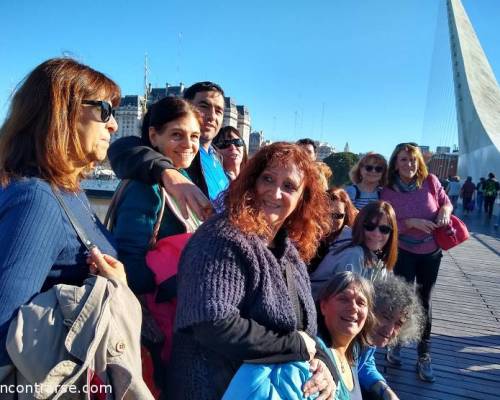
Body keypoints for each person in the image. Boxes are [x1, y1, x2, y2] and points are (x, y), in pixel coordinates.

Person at [167, 142, 335, 399]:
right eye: (267, 178)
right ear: (251, 181)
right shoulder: (221, 238)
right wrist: (295, 347)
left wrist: (324, 364)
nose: (275, 192)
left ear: (303, 199)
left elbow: (306, 330)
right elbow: (213, 324)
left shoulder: (289, 252)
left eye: (289, 186)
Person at [0, 58, 127, 372]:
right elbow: (4, 331)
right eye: (105, 111)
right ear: (63, 112)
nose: (113, 124)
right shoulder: (38, 199)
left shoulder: (69, 191)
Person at [112, 96, 202, 294]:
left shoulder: (183, 175)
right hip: (159, 305)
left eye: (195, 136)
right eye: (177, 135)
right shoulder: (145, 187)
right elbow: (129, 261)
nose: (188, 144)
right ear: (153, 136)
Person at [381, 142, 452, 383]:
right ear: (395, 163)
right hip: (403, 251)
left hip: (431, 251)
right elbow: (386, 224)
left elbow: (446, 202)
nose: (409, 164)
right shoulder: (388, 190)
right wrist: (410, 223)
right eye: (403, 160)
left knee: (424, 299)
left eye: (413, 160)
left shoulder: (431, 181)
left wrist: (445, 211)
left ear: (419, 162)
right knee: (401, 298)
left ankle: (424, 355)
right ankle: (396, 342)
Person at [108, 81, 228, 217]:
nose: (212, 116)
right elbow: (121, 148)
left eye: (219, 111)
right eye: (204, 106)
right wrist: (166, 170)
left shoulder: (218, 157)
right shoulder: (179, 155)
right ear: (185, 105)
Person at [310, 201, 398, 298]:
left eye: (384, 229)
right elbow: (346, 301)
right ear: (359, 226)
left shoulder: (381, 259)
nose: (376, 234)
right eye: (370, 227)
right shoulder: (354, 254)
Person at [359, 274, 424, 400]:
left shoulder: (369, 338)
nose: (389, 329)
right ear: (370, 309)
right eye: (386, 317)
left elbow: (365, 363)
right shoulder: (348, 337)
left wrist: (385, 390)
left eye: (398, 323)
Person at [317, 272, 377, 400]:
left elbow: (367, 365)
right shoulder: (316, 357)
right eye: (343, 299)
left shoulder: (353, 351)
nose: (353, 308)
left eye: (361, 302)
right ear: (323, 306)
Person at [309, 188, 358, 272]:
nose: (330, 220)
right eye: (325, 214)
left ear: (346, 216)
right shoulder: (306, 238)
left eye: (337, 216)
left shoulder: (350, 247)